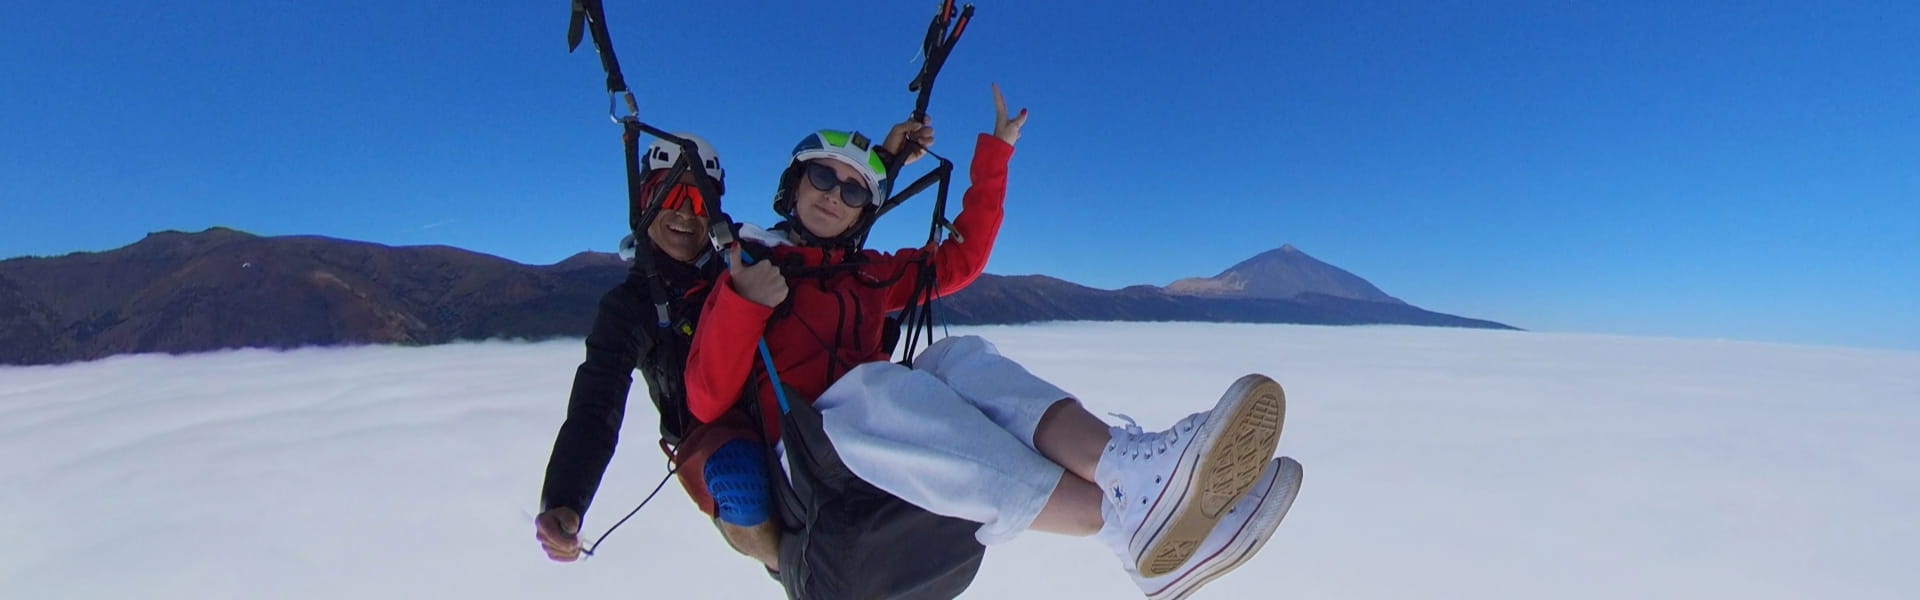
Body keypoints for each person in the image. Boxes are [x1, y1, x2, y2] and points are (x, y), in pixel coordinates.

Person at [687, 85, 1302, 599]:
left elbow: (959, 261)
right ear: (793, 184)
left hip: (873, 439)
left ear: (861, 211)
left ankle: (1130, 490)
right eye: (822, 176)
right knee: (879, 387)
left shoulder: (868, 273)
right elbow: (707, 399)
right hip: (804, 453)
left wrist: (996, 155)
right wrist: (744, 302)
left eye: (853, 190)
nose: (833, 193)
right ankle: (1136, 517)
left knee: (956, 356)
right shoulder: (750, 263)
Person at [533, 124, 937, 572]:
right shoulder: (632, 308)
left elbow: (825, 232)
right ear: (645, 202)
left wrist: (882, 161)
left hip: (790, 413)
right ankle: (791, 571)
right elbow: (596, 407)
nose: (686, 214)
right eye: (669, 197)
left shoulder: (744, 258)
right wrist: (565, 498)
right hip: (718, 437)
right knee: (741, 485)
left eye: (699, 201)